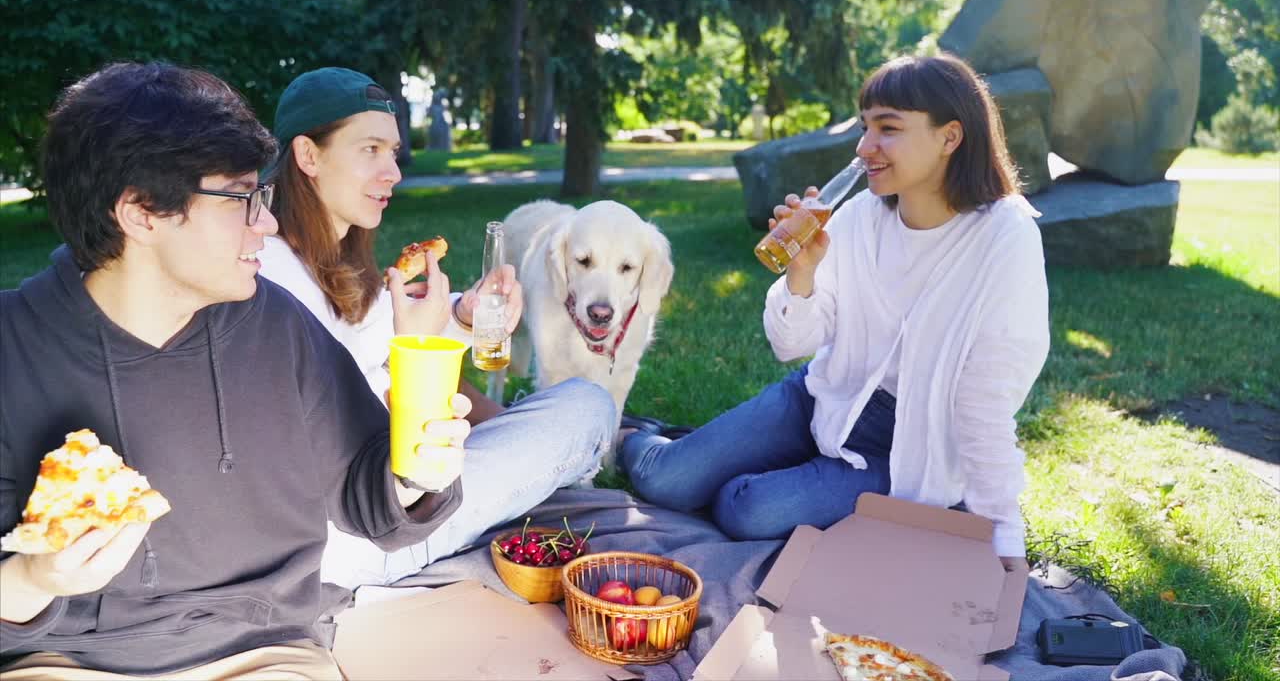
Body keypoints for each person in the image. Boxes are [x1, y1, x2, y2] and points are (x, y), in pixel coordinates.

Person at [0, 62, 471, 678]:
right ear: (141, 213)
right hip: (64, 661)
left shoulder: (276, 327)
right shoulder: (14, 347)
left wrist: (415, 475)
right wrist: (33, 577)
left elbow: (370, 500)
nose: (268, 223)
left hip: (264, 654)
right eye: (242, 199)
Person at [621, 54, 1050, 570]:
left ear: (950, 137)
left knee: (747, 510)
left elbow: (986, 399)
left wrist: (1004, 537)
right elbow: (791, 346)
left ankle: (738, 467)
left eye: (887, 129)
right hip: (824, 395)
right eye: (865, 126)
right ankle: (630, 434)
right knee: (664, 481)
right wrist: (801, 272)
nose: (865, 147)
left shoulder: (1005, 238)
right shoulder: (859, 217)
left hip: (900, 449)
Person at [257, 67, 614, 589]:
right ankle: (589, 452)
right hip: (355, 538)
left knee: (570, 405)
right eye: (370, 150)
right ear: (308, 156)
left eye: (394, 153)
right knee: (588, 407)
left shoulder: (326, 262)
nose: (393, 172)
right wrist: (428, 341)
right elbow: (366, 385)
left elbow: (379, 347)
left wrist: (464, 318)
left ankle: (567, 445)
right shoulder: (267, 269)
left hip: (387, 494)